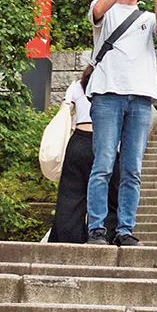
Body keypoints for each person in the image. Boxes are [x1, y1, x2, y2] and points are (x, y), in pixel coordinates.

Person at [84, 0, 157, 248]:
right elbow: (97, 9)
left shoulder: (146, 16)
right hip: (108, 93)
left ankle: (125, 229)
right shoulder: (106, 12)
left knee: (133, 168)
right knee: (104, 163)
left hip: (141, 97)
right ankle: (96, 227)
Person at [48, 83, 122, 244]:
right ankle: (107, 236)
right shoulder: (116, 83)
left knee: (71, 195)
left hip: (79, 142)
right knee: (110, 195)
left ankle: (67, 239)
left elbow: (64, 110)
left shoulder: (77, 84)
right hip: (107, 142)